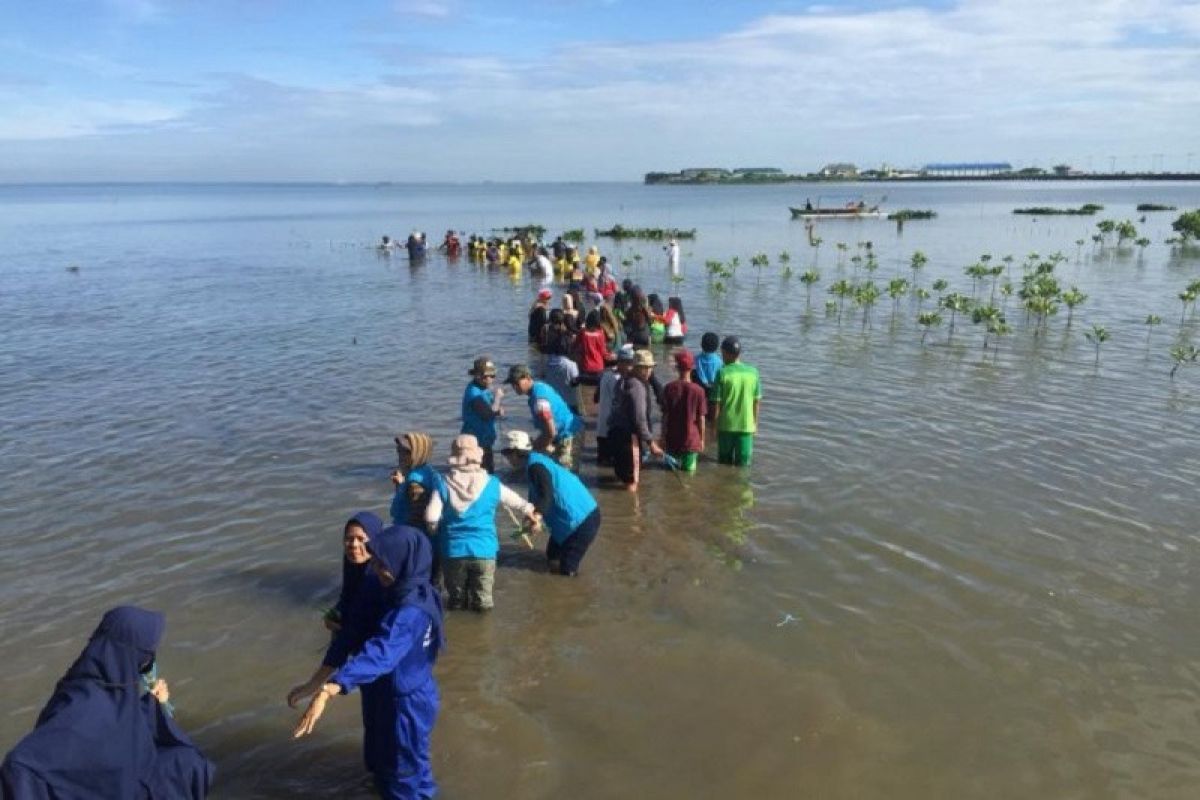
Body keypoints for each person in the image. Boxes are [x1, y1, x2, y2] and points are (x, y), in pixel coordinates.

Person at [293, 525, 443, 800]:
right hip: (385, 689)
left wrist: (331, 688)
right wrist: (318, 679)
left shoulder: (410, 611)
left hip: (405, 700)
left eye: (381, 563)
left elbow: (382, 652)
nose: (374, 567)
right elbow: (358, 629)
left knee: (405, 771)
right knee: (383, 762)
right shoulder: (396, 588)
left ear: (401, 561)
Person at [1, 607, 214, 799]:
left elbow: (113, 723)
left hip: (91, 773)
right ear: (133, 653)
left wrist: (155, 705)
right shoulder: (86, 708)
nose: (150, 660)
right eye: (147, 654)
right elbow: (23, 763)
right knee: (188, 764)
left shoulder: (83, 681)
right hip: (103, 786)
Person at [287, 513, 389, 752]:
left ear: (375, 541)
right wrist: (337, 613)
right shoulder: (355, 566)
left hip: (379, 658)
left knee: (384, 728)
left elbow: (350, 635)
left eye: (361, 539)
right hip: (366, 657)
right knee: (374, 727)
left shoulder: (375, 577)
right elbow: (348, 598)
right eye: (348, 539)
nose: (354, 545)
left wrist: (315, 684)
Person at [425, 435, 540, 611]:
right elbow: (518, 503)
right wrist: (531, 513)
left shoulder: (443, 483)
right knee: (483, 602)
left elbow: (431, 517)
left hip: (453, 551)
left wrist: (434, 531)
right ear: (478, 457)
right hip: (485, 551)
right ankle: (483, 631)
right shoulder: (492, 483)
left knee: (456, 601)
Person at [500, 430, 601, 576]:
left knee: (567, 571)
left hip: (581, 522)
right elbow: (538, 495)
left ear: (515, 453)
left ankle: (571, 593)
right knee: (552, 557)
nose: (507, 459)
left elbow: (546, 496)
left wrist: (537, 519)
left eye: (506, 454)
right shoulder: (535, 461)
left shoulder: (536, 468)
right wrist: (530, 516)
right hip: (574, 519)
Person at [504, 364, 583, 468]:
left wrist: (534, 449)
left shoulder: (539, 400)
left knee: (565, 473)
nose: (514, 386)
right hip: (565, 432)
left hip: (569, 435)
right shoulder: (539, 388)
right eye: (512, 383)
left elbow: (551, 432)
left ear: (527, 378)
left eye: (516, 382)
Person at [607, 349, 663, 491]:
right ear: (641, 368)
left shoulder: (622, 380)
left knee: (623, 476)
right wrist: (651, 443)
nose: (650, 371)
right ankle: (634, 511)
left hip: (614, 433)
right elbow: (639, 418)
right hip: (629, 438)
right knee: (632, 482)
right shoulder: (637, 386)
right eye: (649, 367)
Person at [710, 336, 761, 467]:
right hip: (746, 426)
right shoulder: (753, 373)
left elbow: (716, 404)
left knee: (723, 464)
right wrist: (755, 423)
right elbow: (757, 401)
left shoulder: (722, 373)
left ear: (726, 353)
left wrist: (713, 428)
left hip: (726, 426)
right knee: (743, 467)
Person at [661, 350, 707, 472]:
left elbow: (665, 416)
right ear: (692, 367)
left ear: (677, 367)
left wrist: (662, 437)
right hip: (691, 440)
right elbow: (701, 419)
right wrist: (702, 439)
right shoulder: (699, 391)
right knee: (689, 475)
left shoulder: (669, 388)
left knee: (670, 474)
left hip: (672, 439)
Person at [390, 432, 443, 530]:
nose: (401, 455)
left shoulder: (415, 484)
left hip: (408, 531)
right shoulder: (426, 471)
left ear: (418, 453)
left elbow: (417, 518)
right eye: (399, 450)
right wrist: (400, 485)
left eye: (407, 452)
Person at [461, 357, 505, 473]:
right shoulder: (474, 393)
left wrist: (496, 408)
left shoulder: (483, 388)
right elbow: (487, 414)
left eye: (492, 376)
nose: (489, 379)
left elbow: (489, 409)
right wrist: (497, 398)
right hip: (475, 442)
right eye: (486, 376)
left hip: (484, 439)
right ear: (477, 375)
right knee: (483, 472)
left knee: (488, 469)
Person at [594, 344, 633, 466]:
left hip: (601, 429)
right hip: (612, 430)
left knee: (602, 464)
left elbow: (596, 398)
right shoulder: (619, 380)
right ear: (621, 362)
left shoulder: (606, 374)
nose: (631, 367)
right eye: (629, 364)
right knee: (611, 466)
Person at [575, 310, 610, 387]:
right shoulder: (601, 333)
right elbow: (603, 352)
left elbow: (575, 345)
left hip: (585, 368)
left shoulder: (583, 332)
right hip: (599, 369)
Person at [693, 331, 724, 409]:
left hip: (699, 391)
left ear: (701, 344)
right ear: (717, 347)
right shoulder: (719, 362)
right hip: (714, 393)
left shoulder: (696, 359)